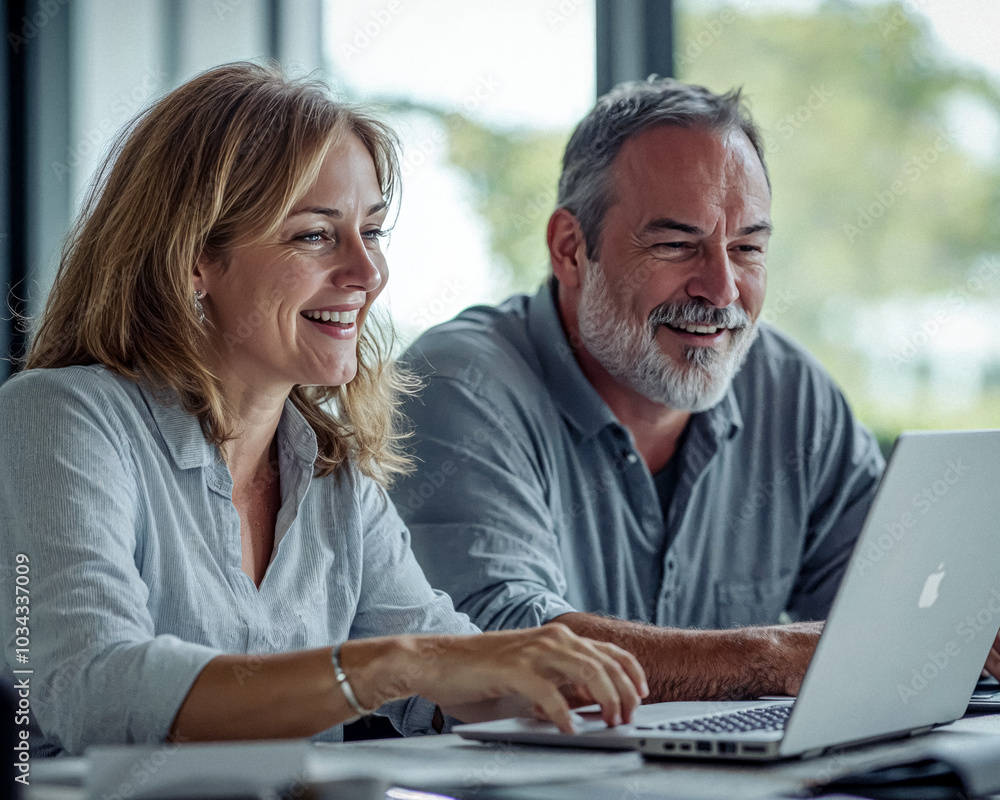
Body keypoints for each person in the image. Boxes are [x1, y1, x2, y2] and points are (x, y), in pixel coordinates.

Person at [0, 62, 646, 758]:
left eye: (371, 231)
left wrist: (557, 681)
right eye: (315, 235)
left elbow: (452, 674)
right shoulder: (58, 418)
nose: (367, 274)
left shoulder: (331, 475)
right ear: (194, 259)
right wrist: (390, 665)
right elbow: (90, 689)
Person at [391, 77, 888, 703]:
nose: (723, 289)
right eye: (678, 245)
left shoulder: (790, 392)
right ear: (570, 250)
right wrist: (770, 657)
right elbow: (497, 651)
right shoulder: (458, 386)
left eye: (747, 248)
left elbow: (897, 605)